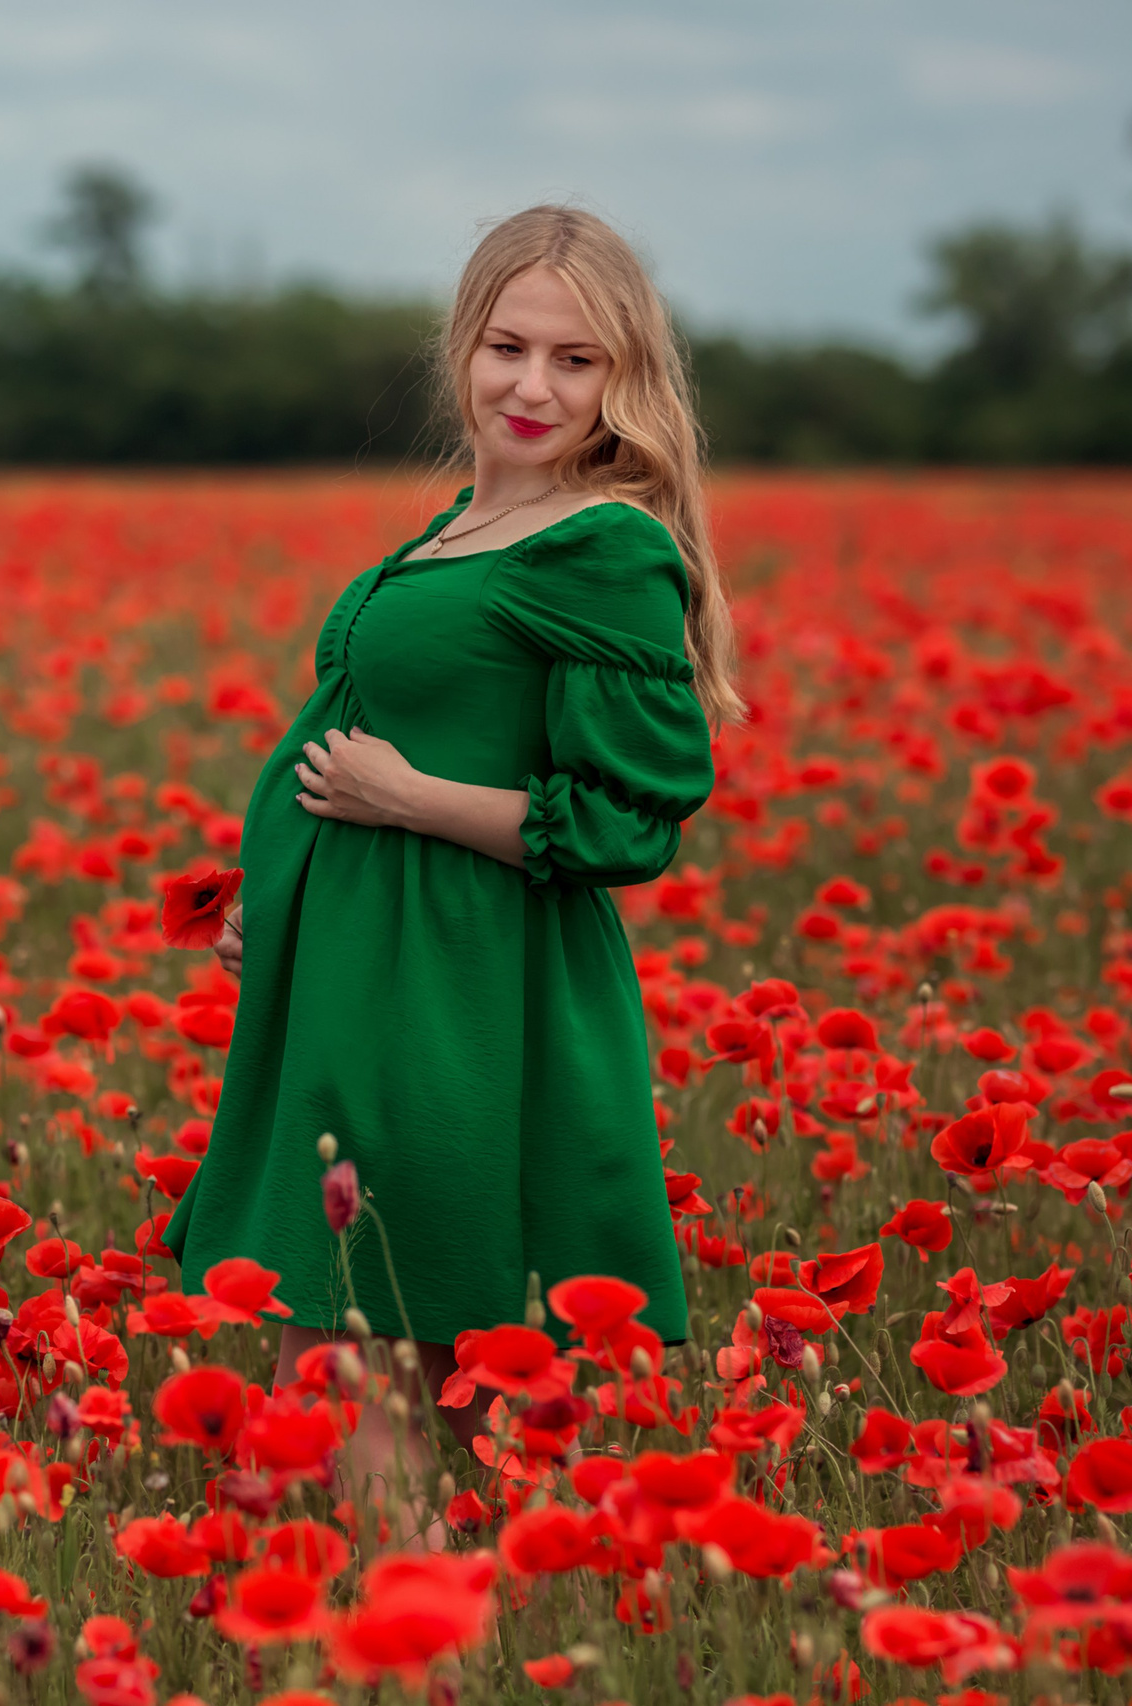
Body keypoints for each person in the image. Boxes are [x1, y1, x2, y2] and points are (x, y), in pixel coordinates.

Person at [159, 204, 746, 1545]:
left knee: (373, 1366)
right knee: (410, 1376)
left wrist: (408, 799)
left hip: (459, 995)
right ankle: (469, 1620)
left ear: (625, 379)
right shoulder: (458, 528)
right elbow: (363, 727)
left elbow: (627, 821)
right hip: (361, 983)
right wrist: (281, 905)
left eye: (576, 360)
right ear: (461, 349)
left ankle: (422, 1626)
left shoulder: (601, 547)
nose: (533, 385)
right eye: (508, 347)